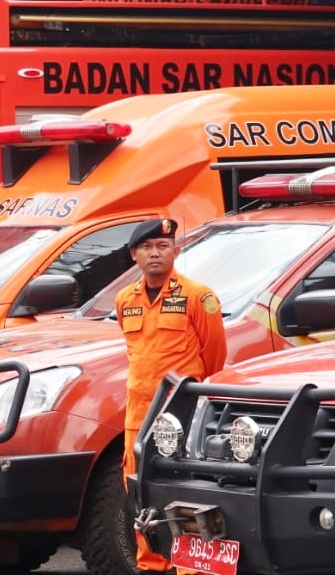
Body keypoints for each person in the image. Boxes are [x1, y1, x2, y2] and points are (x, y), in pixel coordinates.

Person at [115, 218, 227, 574]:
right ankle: (152, 565)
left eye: (162, 247)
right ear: (134, 255)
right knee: (140, 495)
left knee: (183, 494)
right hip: (138, 415)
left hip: (178, 415)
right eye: (147, 248)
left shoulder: (198, 296)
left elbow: (214, 356)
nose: (155, 254)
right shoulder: (124, 299)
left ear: (175, 251)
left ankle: (189, 567)